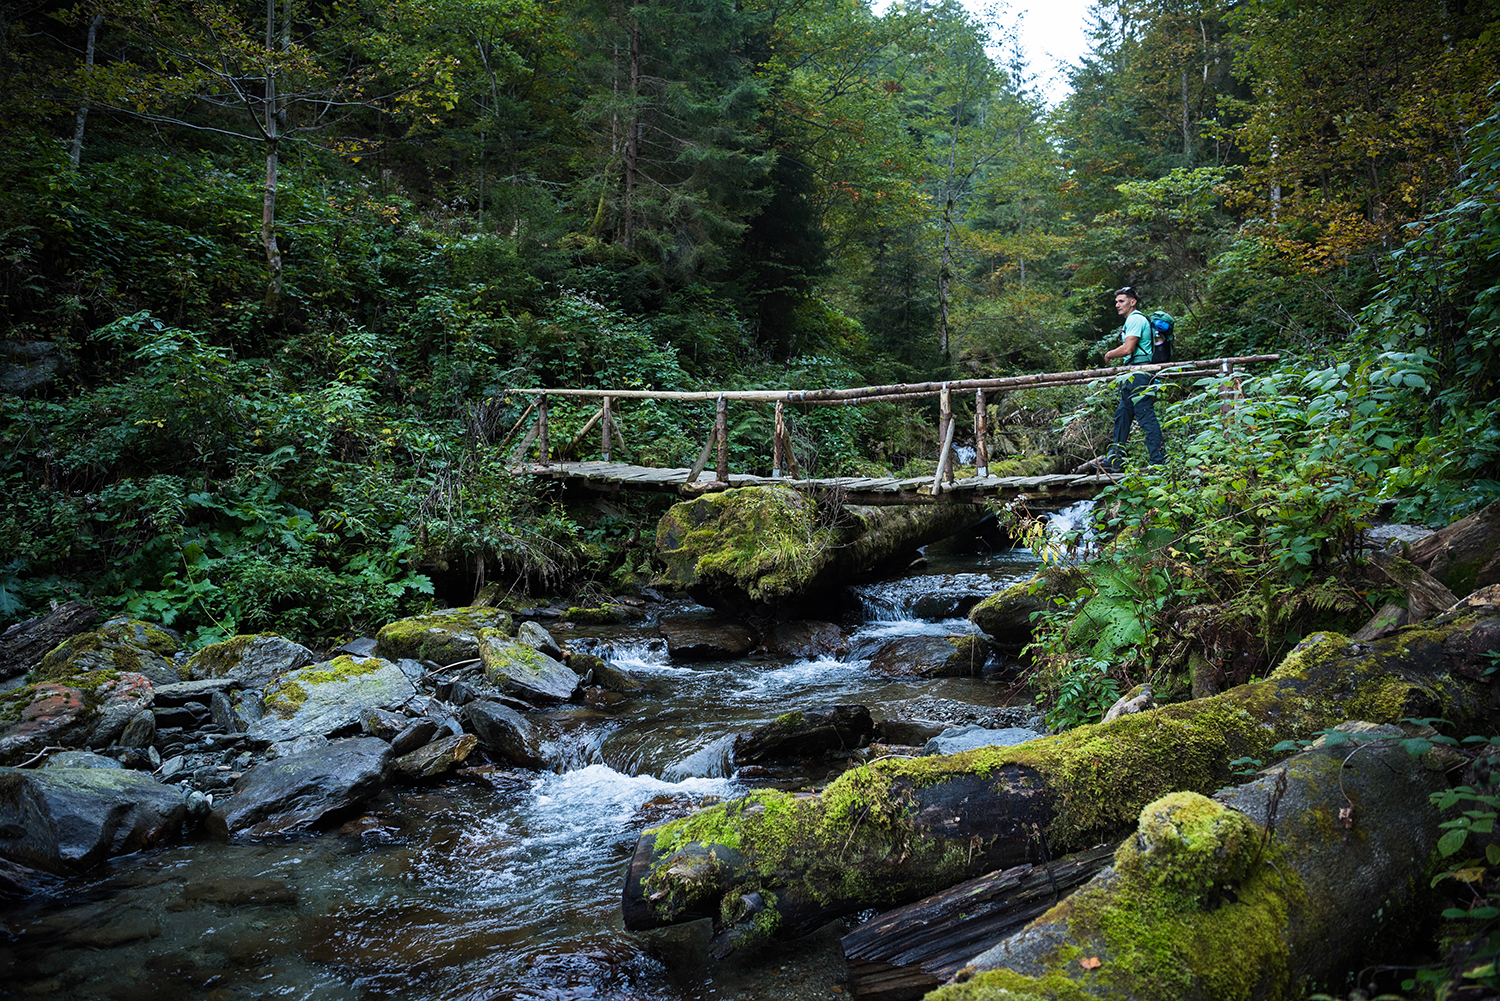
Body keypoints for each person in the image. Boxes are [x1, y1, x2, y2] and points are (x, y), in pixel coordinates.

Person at [1095, 285, 1165, 472]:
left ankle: (1158, 461)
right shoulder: (1134, 320)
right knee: (1122, 416)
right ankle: (1116, 460)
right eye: (1116, 301)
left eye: (1121, 301)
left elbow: (1128, 349)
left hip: (1140, 374)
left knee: (1145, 415)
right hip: (1132, 374)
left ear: (1132, 302)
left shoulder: (1135, 319)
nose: (1117, 305)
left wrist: (1109, 354)